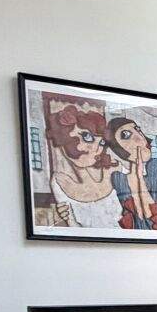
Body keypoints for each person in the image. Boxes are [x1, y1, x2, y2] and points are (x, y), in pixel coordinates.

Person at [43, 98, 122, 230]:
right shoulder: (59, 181)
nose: (96, 149)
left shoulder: (116, 168)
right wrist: (69, 220)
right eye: (87, 137)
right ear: (63, 134)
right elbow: (78, 231)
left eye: (101, 142)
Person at [107, 114, 157, 228]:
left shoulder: (155, 166)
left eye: (138, 130)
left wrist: (139, 177)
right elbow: (137, 217)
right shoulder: (119, 178)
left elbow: (152, 216)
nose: (140, 138)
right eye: (126, 135)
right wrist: (136, 174)